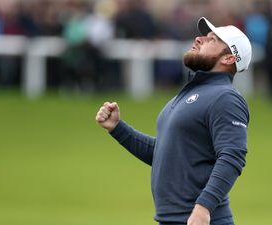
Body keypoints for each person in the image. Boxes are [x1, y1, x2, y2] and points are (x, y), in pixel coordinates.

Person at [95, 17, 252, 225]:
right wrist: (118, 128)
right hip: (174, 220)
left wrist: (204, 208)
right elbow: (166, 153)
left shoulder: (225, 98)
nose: (199, 39)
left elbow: (233, 156)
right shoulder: (190, 94)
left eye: (212, 40)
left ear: (229, 59)